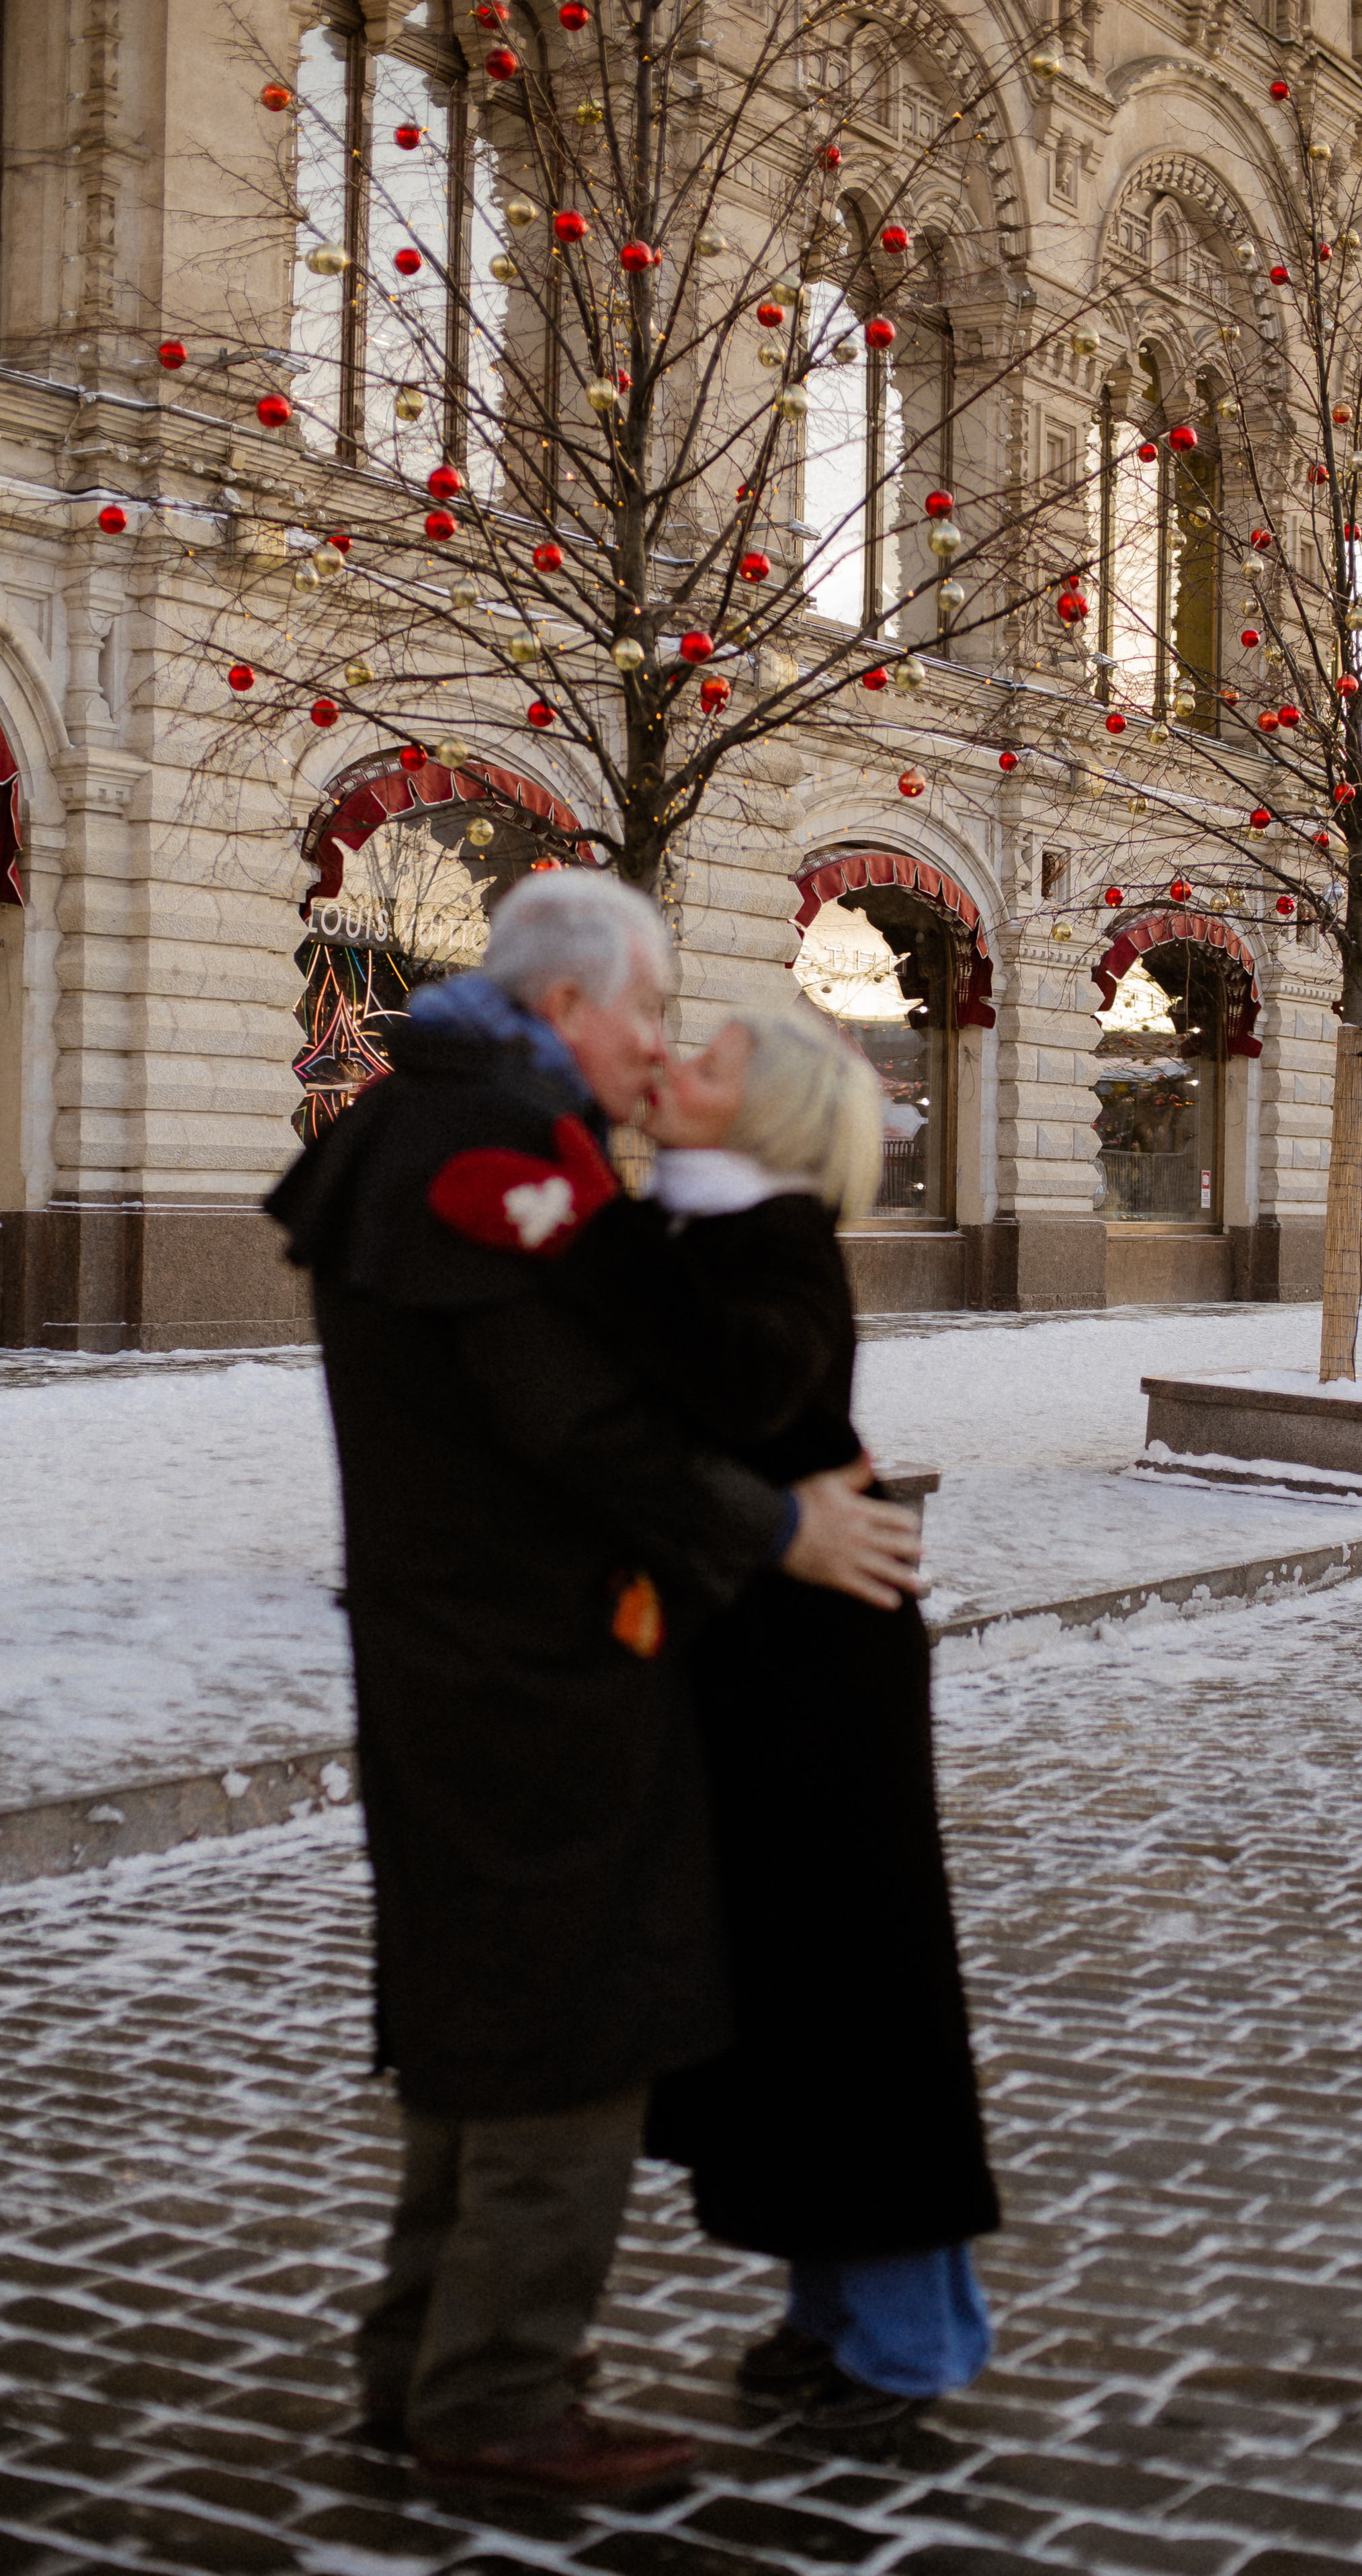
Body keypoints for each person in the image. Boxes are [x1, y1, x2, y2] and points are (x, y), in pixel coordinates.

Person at [265, 874, 923, 2504]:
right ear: (568, 1008)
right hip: (528, 1673)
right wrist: (777, 1528)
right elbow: (569, 1424)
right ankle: (493, 2395)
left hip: (472, 1658)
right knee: (565, 2029)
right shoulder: (480, 1146)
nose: (652, 1046)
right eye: (645, 1010)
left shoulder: (446, 1126)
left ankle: (423, 2366)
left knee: (481, 2019)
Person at [427, 1003, 1000, 2440]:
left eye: (711, 1062)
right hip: (751, 1663)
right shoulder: (694, 1231)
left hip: (821, 1681)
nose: (673, 1064)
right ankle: (834, 2318)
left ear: (772, 1118)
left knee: (855, 2004)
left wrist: (586, 1227)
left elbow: (744, 1382)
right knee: (781, 2006)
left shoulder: (776, 1233)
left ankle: (905, 2345)